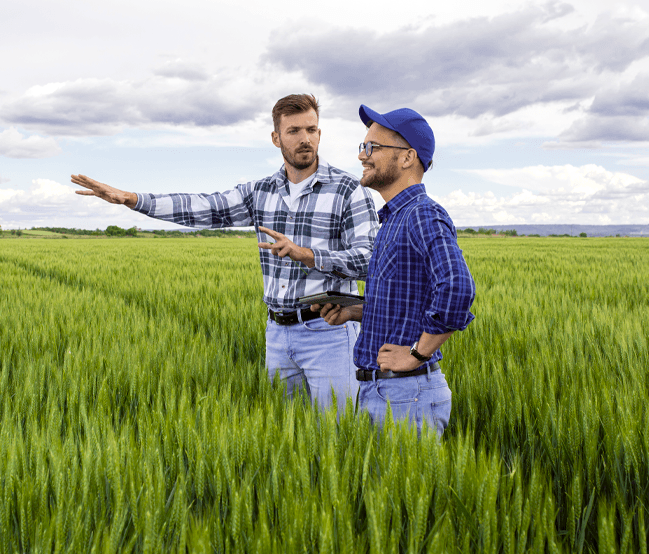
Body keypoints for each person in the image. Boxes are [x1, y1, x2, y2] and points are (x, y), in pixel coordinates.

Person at [71, 94, 379, 415]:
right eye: (294, 131)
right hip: (277, 335)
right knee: (284, 433)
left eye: (312, 130)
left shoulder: (347, 190)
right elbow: (203, 206)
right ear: (276, 138)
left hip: (329, 334)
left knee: (338, 437)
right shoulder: (260, 192)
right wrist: (132, 199)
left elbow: (371, 260)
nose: (305, 139)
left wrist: (309, 255)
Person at [314, 104, 475, 437]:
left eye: (373, 147)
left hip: (407, 396)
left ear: (407, 158)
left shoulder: (421, 214)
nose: (362, 156)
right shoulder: (393, 219)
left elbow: (458, 288)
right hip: (386, 393)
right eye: (363, 146)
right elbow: (406, 300)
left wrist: (418, 353)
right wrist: (355, 311)